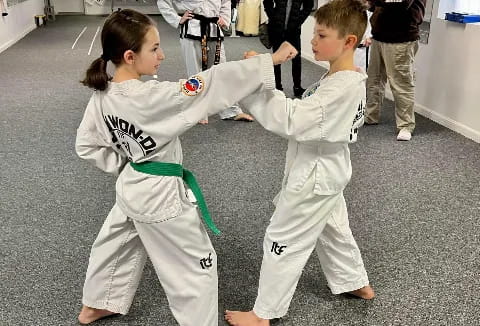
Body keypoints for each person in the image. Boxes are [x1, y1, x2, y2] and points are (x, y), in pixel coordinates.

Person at [75, 9, 297, 325]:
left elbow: (86, 145)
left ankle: (97, 303)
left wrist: (128, 164)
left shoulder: (102, 94)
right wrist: (267, 62)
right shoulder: (152, 96)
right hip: (160, 196)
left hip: (131, 186)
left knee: (117, 244)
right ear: (129, 55)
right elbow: (207, 83)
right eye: (153, 49)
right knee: (196, 265)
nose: (162, 54)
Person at [224, 1, 375, 325]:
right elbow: (306, 113)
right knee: (334, 229)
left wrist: (255, 79)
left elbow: (292, 119)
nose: (313, 41)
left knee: (282, 238)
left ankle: (264, 313)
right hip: (328, 170)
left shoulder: (340, 88)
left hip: (315, 174)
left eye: (321, 35)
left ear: (349, 41)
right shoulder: (342, 78)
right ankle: (356, 282)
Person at [157, 0, 255, 124]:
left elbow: (225, 2)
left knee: (222, 71)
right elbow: (163, 1)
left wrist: (224, 18)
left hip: (214, 28)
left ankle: (230, 110)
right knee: (196, 73)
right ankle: (198, 111)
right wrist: (177, 19)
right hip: (192, 29)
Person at [364, 0, 426, 141]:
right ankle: (371, 116)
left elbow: (401, 3)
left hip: (401, 38)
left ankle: (406, 125)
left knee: (401, 84)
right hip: (379, 36)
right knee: (374, 79)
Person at [263, 0, 314, 98]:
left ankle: (297, 88)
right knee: (276, 59)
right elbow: (267, 2)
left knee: (296, 60)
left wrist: (299, 20)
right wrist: (273, 18)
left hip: (294, 30)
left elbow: (309, 6)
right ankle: (277, 87)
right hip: (277, 28)